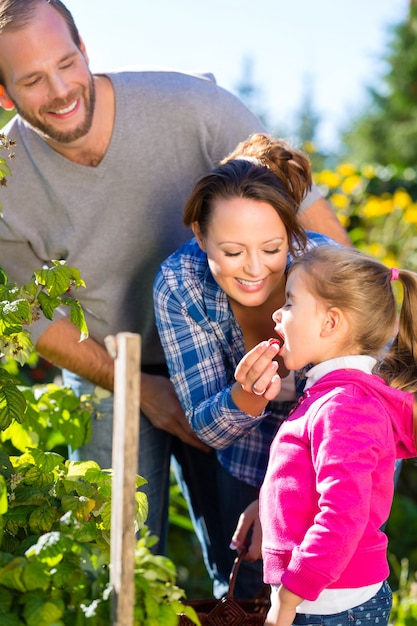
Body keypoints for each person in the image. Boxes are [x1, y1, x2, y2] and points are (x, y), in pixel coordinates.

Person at [0, 0, 351, 594]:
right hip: (107, 365)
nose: (60, 91)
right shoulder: (7, 181)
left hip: (228, 355)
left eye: (66, 63)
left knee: (251, 559)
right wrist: (139, 388)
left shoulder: (193, 106)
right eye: (32, 80)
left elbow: (312, 226)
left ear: (85, 51)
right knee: (116, 570)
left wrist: (349, 352)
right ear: (5, 95)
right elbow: (31, 320)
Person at [153, 133, 345, 598]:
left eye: (272, 249)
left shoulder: (331, 271)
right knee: (246, 593)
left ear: (292, 234)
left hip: (336, 460)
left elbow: (356, 407)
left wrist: (284, 489)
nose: (255, 270)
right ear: (200, 236)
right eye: (233, 252)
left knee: (331, 591)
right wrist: (244, 396)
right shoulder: (180, 284)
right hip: (242, 459)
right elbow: (208, 426)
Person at [233, 245, 417, 625]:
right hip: (323, 600)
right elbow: (314, 483)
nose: (276, 314)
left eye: (290, 302)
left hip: (330, 607)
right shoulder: (332, 395)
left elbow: (342, 513)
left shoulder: (345, 406)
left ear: (330, 323)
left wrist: (288, 597)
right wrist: (272, 504)